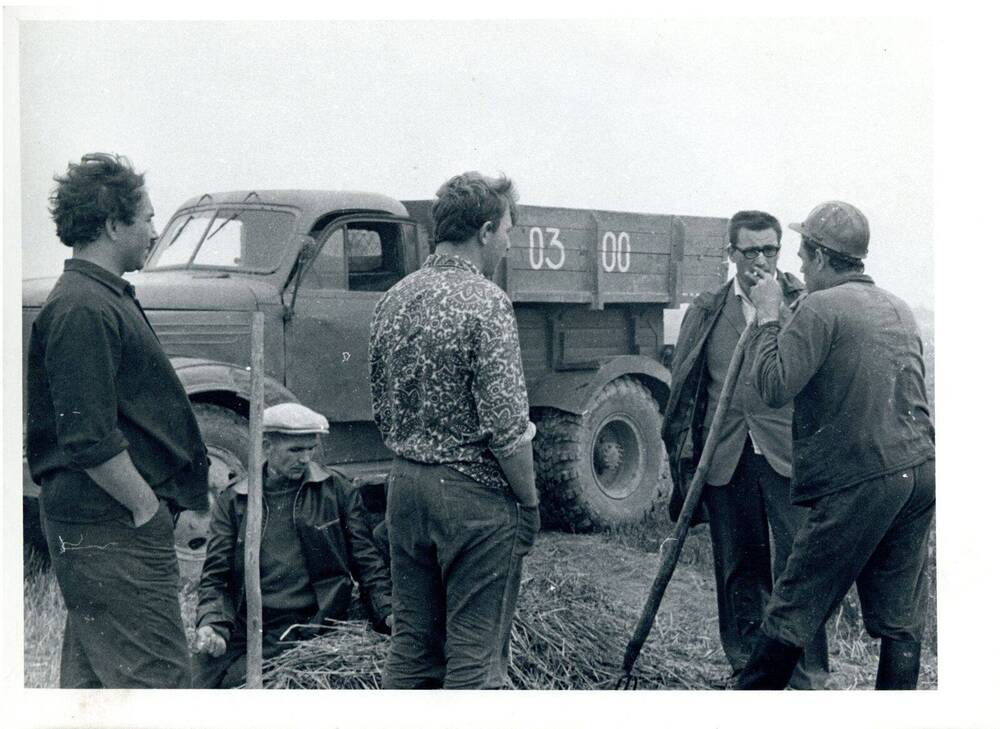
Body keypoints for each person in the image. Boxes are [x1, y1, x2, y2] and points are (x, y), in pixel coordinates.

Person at [26, 153, 209, 688]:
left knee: (95, 688)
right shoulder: (85, 306)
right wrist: (146, 508)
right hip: (112, 526)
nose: (155, 230)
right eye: (148, 218)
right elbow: (88, 438)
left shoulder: (98, 297)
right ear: (112, 224)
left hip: (101, 525)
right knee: (155, 683)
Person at [736, 201, 935, 690]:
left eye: (805, 254)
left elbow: (774, 385)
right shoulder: (897, 307)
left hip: (863, 480)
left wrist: (766, 317)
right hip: (920, 474)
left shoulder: (821, 307)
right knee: (899, 619)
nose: (800, 264)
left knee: (794, 604)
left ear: (823, 258)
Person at [369, 171, 540, 689]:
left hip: (404, 489)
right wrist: (529, 503)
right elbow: (507, 429)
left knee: (412, 647)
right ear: (485, 231)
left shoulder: (394, 298)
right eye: (509, 229)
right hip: (472, 501)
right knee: (474, 656)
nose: (511, 241)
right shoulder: (487, 303)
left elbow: (380, 402)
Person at [662, 210, 829, 688]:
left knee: (800, 567)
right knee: (738, 567)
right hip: (727, 458)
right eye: (749, 250)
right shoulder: (709, 308)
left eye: (769, 250)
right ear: (730, 254)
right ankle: (747, 669)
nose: (760, 259)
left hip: (788, 457)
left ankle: (806, 676)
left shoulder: (805, 304)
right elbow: (688, 387)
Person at [192, 402, 393, 689]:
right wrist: (212, 625)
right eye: (295, 450)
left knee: (238, 685)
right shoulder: (235, 500)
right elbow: (216, 576)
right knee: (189, 683)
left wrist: (387, 611)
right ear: (266, 445)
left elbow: (367, 562)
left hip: (306, 623)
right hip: (245, 623)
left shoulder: (338, 492)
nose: (305, 458)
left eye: (310, 448)